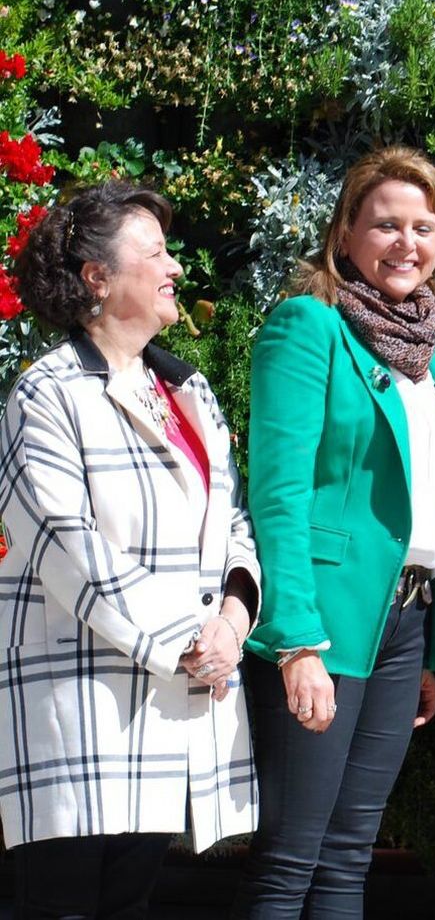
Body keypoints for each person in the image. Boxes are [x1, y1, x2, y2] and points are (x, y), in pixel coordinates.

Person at [0, 180, 261, 918]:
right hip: (82, 702)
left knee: (130, 905)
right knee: (64, 907)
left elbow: (233, 523)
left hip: (177, 699)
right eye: (157, 252)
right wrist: (192, 640)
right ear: (98, 277)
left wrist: (233, 624)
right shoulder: (45, 393)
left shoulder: (189, 391)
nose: (176, 266)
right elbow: (64, 543)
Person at [233, 146, 435, 919]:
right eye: (387, 225)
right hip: (326, 623)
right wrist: (295, 639)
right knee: (291, 859)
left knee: (350, 854)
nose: (408, 243)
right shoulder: (309, 326)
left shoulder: (429, 346)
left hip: (403, 623)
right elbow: (278, 496)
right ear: (345, 236)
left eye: (424, 227)